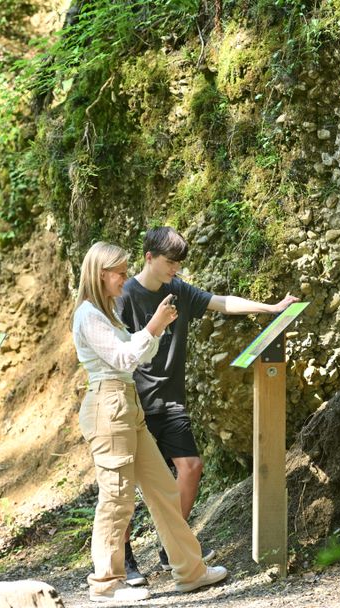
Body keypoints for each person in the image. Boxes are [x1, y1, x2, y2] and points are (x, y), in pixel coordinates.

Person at [118, 226, 299, 585]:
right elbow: (116, 352)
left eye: (178, 264)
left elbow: (221, 302)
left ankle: (173, 548)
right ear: (149, 257)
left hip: (170, 403)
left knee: (191, 467)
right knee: (124, 486)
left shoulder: (178, 290)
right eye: (170, 263)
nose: (175, 270)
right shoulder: (124, 296)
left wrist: (271, 308)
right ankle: (124, 559)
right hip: (134, 403)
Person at [72, 241, 228, 603]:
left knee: (164, 490)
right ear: (101, 274)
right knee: (116, 497)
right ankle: (106, 584)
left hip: (128, 405)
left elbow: (139, 354)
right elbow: (124, 358)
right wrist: (154, 326)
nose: (124, 279)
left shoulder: (106, 313)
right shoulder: (88, 315)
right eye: (120, 273)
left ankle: (190, 570)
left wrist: (155, 330)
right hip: (109, 406)